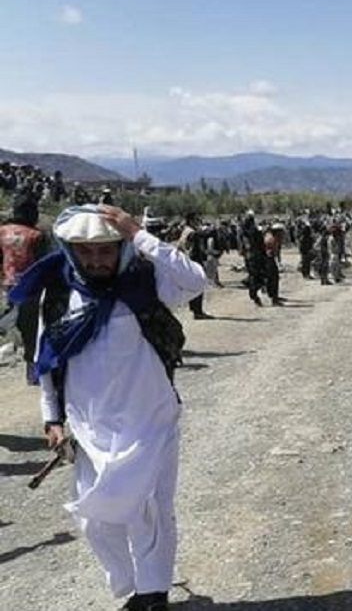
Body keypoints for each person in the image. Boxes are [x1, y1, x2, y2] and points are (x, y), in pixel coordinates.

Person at [9, 204, 206, 611]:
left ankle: (153, 594)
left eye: (106, 250)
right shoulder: (60, 293)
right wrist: (52, 418)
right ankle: (136, 585)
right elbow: (47, 359)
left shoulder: (145, 282)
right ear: (71, 251)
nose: (96, 260)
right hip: (89, 424)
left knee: (149, 510)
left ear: (121, 248)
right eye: (86, 251)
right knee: (96, 517)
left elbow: (195, 280)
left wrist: (138, 233)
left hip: (149, 418)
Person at [0, 190, 52, 383]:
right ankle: (32, 371)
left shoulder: (2, 232)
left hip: (9, 285)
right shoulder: (36, 235)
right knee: (32, 328)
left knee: (18, 323)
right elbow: (44, 262)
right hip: (32, 287)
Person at [175, 213, 213, 319]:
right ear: (191, 220)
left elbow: (178, 246)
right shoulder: (192, 233)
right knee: (198, 286)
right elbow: (196, 247)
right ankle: (198, 311)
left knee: (192, 287)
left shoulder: (185, 231)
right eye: (196, 220)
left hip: (187, 262)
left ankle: (195, 309)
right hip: (194, 262)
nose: (198, 221)